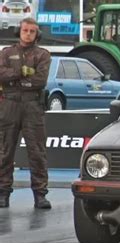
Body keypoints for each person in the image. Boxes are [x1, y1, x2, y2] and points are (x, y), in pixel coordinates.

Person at [0, 18, 52, 209]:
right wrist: (20, 73)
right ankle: (3, 193)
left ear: (37, 34)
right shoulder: (6, 53)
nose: (28, 33)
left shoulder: (43, 55)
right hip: (10, 106)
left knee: (37, 152)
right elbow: (1, 74)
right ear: (18, 31)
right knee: (5, 151)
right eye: (25, 30)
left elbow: (40, 80)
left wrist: (14, 79)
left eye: (32, 31)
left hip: (32, 107)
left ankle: (40, 194)